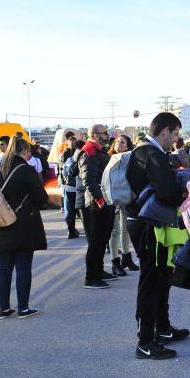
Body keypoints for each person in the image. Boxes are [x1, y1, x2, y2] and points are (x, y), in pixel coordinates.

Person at [125, 112, 188, 360]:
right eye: (175, 134)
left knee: (162, 276)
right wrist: (182, 187)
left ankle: (162, 328)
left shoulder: (147, 152)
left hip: (148, 223)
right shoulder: (150, 154)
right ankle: (145, 341)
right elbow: (168, 192)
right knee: (151, 280)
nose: (175, 141)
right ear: (165, 131)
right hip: (148, 225)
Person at [0, 137, 49, 318]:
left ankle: (4, 308)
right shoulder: (26, 170)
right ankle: (23, 308)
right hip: (23, 225)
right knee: (23, 267)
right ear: (26, 152)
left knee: (3, 268)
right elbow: (40, 197)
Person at [79, 124, 117, 289]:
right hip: (95, 204)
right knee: (95, 241)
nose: (107, 135)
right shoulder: (90, 151)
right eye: (104, 133)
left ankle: (99, 270)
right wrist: (101, 201)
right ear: (95, 135)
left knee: (102, 240)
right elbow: (89, 180)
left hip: (104, 201)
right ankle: (91, 277)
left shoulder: (98, 151)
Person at [108, 135, 137, 276]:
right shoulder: (109, 159)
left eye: (122, 142)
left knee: (125, 229)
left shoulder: (129, 159)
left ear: (127, 146)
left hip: (125, 197)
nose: (119, 143)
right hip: (112, 199)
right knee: (114, 231)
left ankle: (126, 257)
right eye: (117, 141)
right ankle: (115, 262)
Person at [60, 138, 84, 238]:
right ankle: (88, 230)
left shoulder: (69, 160)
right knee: (83, 211)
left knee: (70, 211)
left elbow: (64, 173)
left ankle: (71, 230)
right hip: (81, 188)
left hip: (69, 187)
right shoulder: (84, 158)